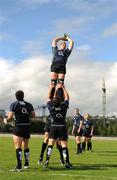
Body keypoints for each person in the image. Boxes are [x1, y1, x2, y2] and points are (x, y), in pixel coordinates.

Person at [4, 90, 36, 172]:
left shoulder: (14, 104)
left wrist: (6, 120)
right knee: (25, 146)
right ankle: (26, 164)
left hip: (19, 126)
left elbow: (10, 117)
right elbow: (34, 116)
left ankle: (19, 166)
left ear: (16, 96)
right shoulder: (29, 104)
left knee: (18, 146)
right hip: (27, 127)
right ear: (23, 96)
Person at [43, 84, 73, 169]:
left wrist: (51, 88)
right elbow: (67, 97)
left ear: (53, 102)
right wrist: (63, 88)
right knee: (64, 145)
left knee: (50, 144)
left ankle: (47, 161)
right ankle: (66, 162)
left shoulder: (51, 108)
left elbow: (48, 98)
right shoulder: (64, 107)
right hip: (62, 127)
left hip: (53, 127)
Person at [38, 85, 64, 165]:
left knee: (59, 142)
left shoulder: (61, 100)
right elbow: (49, 97)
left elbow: (48, 98)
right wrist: (51, 88)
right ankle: (41, 156)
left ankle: (61, 158)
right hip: (50, 120)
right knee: (46, 139)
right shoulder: (53, 99)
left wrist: (61, 87)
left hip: (58, 121)